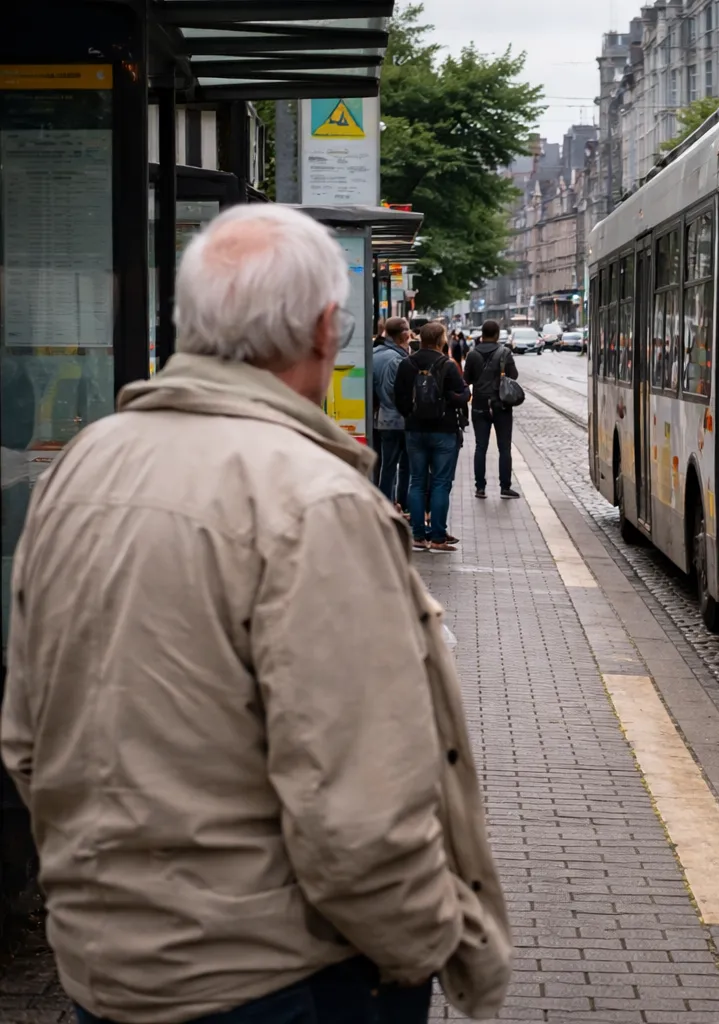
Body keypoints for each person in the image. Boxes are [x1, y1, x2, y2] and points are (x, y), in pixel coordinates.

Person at [0, 204, 510, 1024]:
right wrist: (429, 949)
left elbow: (26, 735)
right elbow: (361, 810)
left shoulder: (82, 466)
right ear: (321, 330)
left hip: (110, 966)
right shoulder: (314, 499)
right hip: (282, 976)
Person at [395, 322, 469, 551]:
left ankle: (418, 535)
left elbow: (399, 398)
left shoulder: (407, 364)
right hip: (444, 430)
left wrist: (410, 415)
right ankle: (437, 536)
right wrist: (458, 395)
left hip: (414, 430)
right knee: (440, 483)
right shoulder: (447, 365)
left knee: (416, 482)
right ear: (440, 340)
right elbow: (461, 396)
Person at [463, 320, 520, 500]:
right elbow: (514, 376)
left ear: (482, 334)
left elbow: (467, 379)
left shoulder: (472, 355)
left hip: (480, 403)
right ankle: (505, 487)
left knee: (480, 446)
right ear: (497, 335)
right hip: (501, 404)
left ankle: (480, 487)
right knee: (504, 447)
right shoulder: (505, 353)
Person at [373, 316, 412, 514]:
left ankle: (389, 501)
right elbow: (394, 393)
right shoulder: (396, 359)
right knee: (400, 465)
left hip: (381, 418)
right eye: (408, 330)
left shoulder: (376, 353)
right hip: (396, 419)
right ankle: (393, 504)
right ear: (403, 334)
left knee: (387, 465)